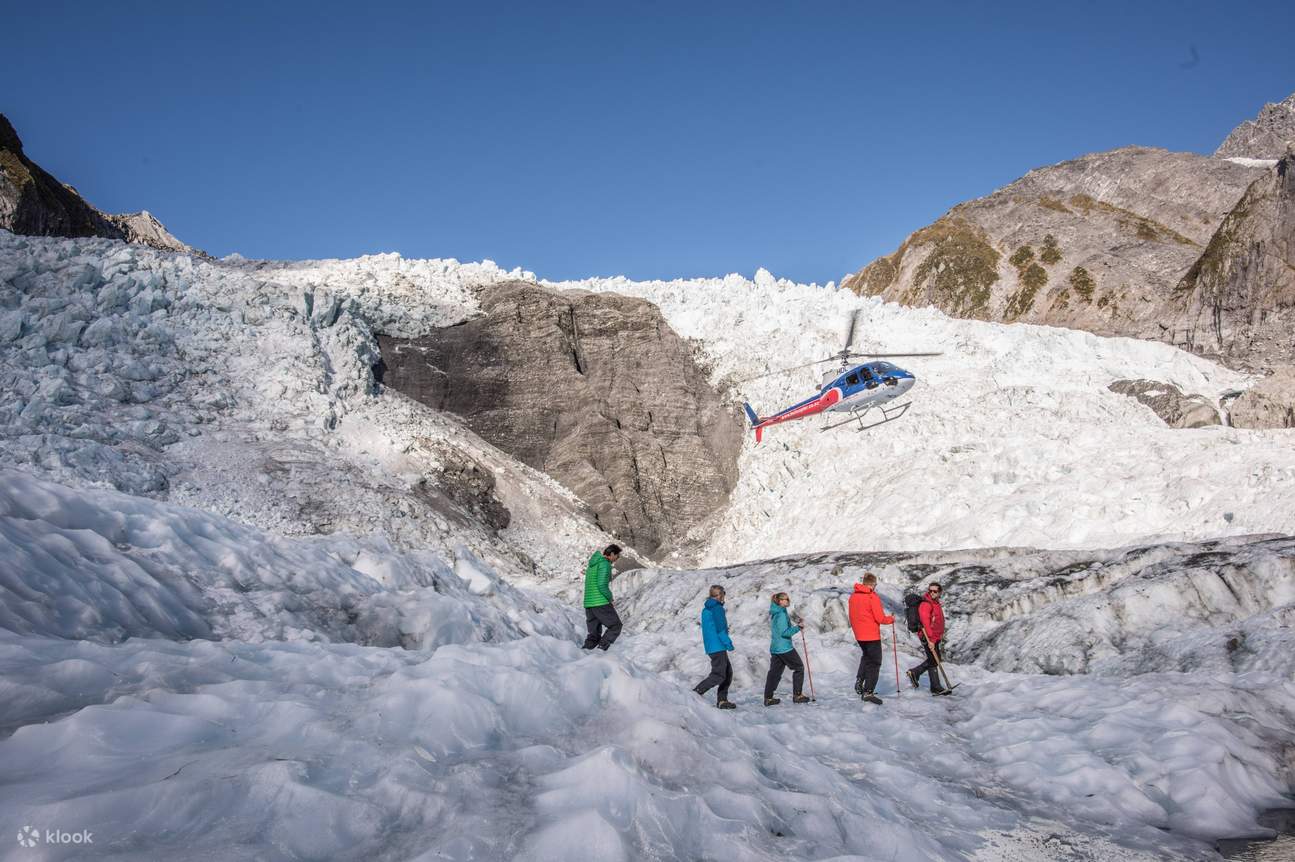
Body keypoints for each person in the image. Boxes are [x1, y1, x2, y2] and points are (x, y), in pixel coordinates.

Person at [849, 572, 895, 705]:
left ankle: (860, 680)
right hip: (871, 635)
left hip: (859, 635)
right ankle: (868, 692)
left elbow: (852, 615)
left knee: (866, 657)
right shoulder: (871, 597)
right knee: (875, 662)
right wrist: (891, 619)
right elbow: (880, 618)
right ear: (873, 584)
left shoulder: (853, 596)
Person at [693, 585, 737, 709]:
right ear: (720, 595)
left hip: (712, 646)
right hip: (718, 646)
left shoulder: (707, 608)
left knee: (727, 673)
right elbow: (720, 629)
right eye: (724, 594)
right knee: (718, 675)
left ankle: (722, 701)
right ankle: (695, 693)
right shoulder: (717, 608)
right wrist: (728, 643)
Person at [764, 593, 811, 706]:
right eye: (786, 599)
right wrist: (798, 628)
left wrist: (796, 624)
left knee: (774, 673)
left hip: (776, 648)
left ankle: (768, 698)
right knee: (799, 668)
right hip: (784, 648)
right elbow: (785, 633)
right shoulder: (781, 614)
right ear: (780, 601)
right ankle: (797, 695)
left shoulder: (777, 611)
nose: (788, 600)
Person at [906, 582, 950, 695]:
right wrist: (931, 640)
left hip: (935, 636)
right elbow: (925, 623)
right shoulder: (926, 604)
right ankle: (916, 673)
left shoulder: (936, 603)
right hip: (928, 636)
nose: (932, 593)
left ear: (940, 592)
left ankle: (934, 686)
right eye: (930, 590)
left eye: (935, 591)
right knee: (934, 659)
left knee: (934, 659)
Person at [582, 544, 622, 650]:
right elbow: (601, 585)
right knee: (615, 626)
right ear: (612, 554)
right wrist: (610, 597)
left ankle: (585, 653)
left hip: (589, 603)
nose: (617, 558)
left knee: (593, 635)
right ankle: (601, 650)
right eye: (617, 556)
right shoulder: (604, 564)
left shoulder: (592, 565)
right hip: (600, 602)